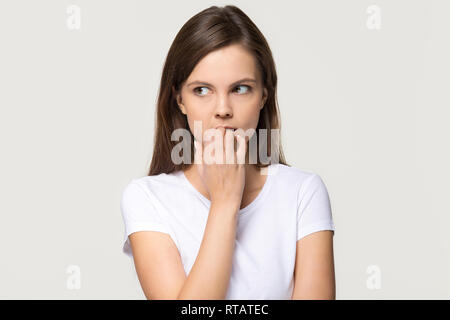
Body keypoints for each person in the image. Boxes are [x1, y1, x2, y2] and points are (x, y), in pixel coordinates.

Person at [120, 5, 336, 300]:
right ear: (179, 99)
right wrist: (225, 201)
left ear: (263, 95)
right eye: (202, 90)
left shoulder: (303, 193)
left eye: (240, 88)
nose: (222, 109)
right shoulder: (147, 198)